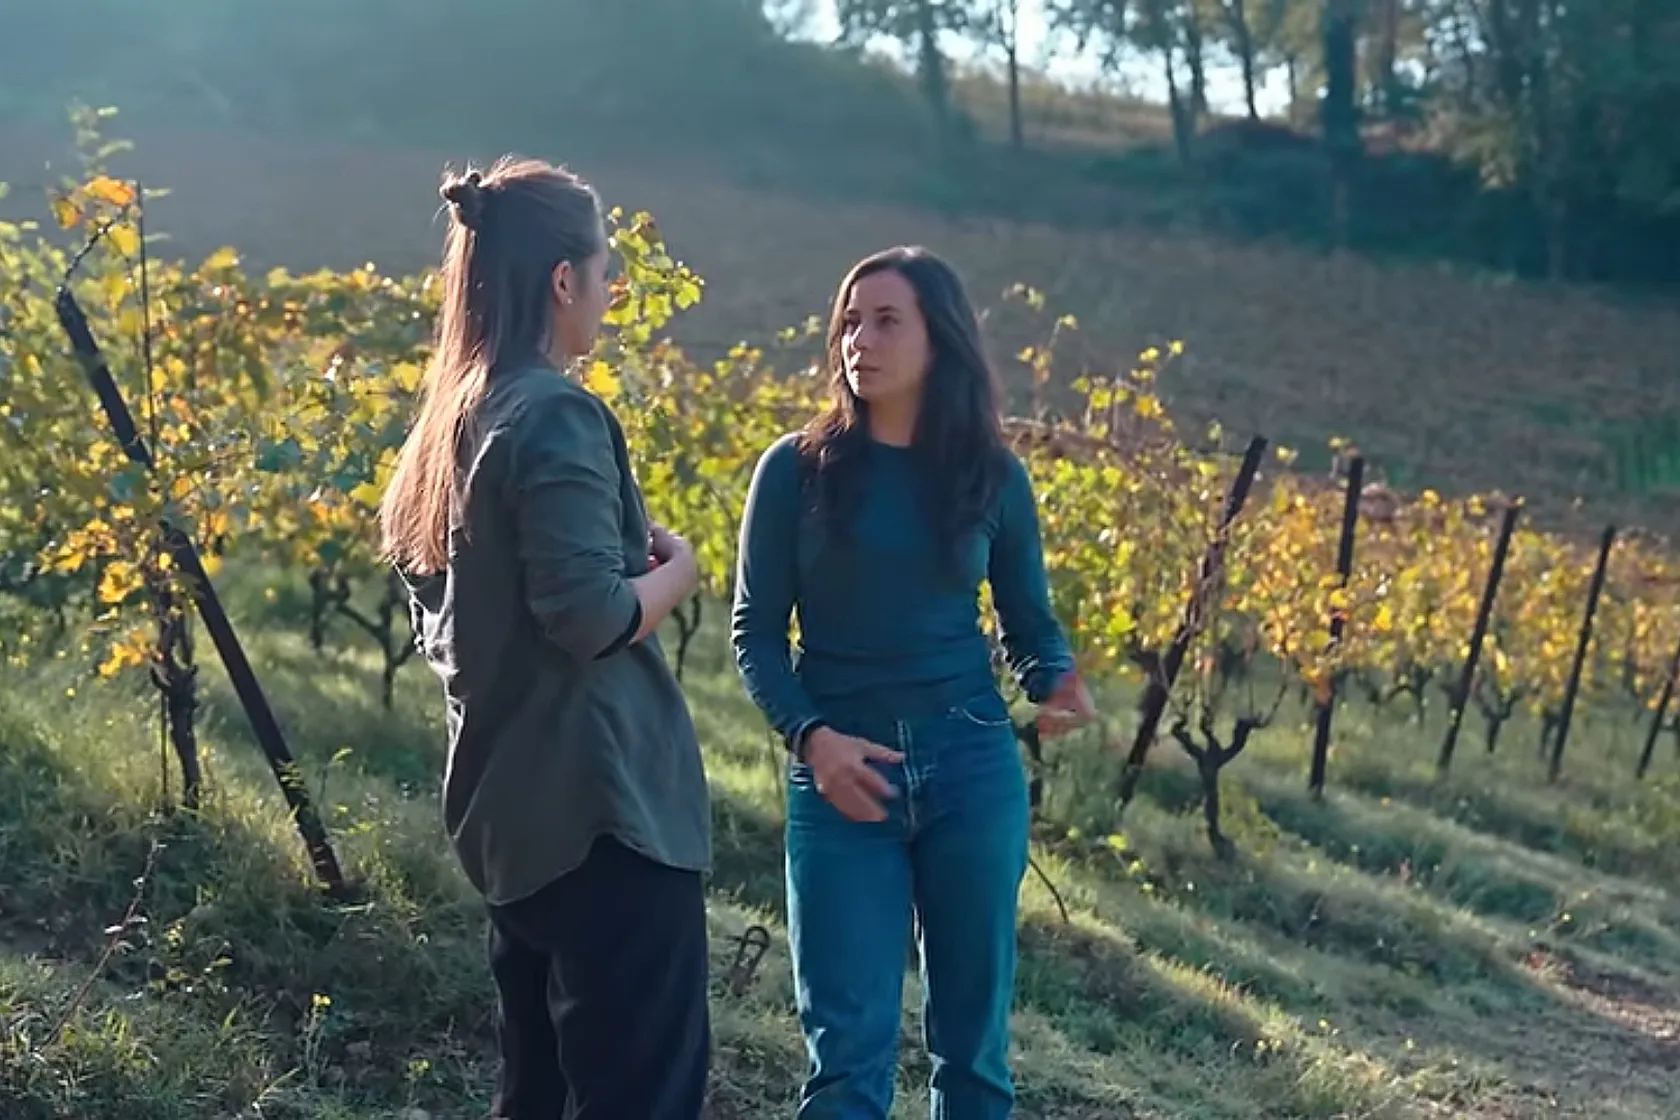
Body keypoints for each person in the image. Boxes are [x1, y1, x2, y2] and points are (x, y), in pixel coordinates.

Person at [378, 156, 712, 1120]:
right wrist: (675, 575)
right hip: (601, 812)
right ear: (564, 280)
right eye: (603, 273)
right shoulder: (555, 413)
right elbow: (587, 616)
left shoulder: (444, 426)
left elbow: (450, 623)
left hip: (508, 814)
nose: (607, 295)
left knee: (538, 1094)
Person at [730, 245, 1096, 1118]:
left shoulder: (993, 475)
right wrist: (812, 741)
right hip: (840, 775)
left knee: (973, 1053)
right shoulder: (795, 470)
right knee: (845, 1056)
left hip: (970, 766)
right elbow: (754, 636)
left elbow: (1026, 617)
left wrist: (1056, 679)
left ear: (942, 340)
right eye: (850, 322)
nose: (861, 339)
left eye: (886, 320)